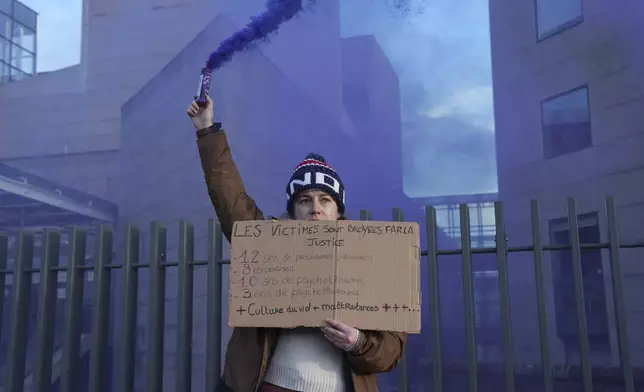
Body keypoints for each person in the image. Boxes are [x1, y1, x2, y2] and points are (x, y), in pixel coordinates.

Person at [187, 96, 407, 392]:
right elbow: (231, 199)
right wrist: (206, 130)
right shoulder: (268, 248)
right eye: (305, 200)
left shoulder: (371, 258)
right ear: (293, 211)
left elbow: (390, 351)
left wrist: (357, 342)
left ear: (337, 211)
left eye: (325, 200)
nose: (315, 208)